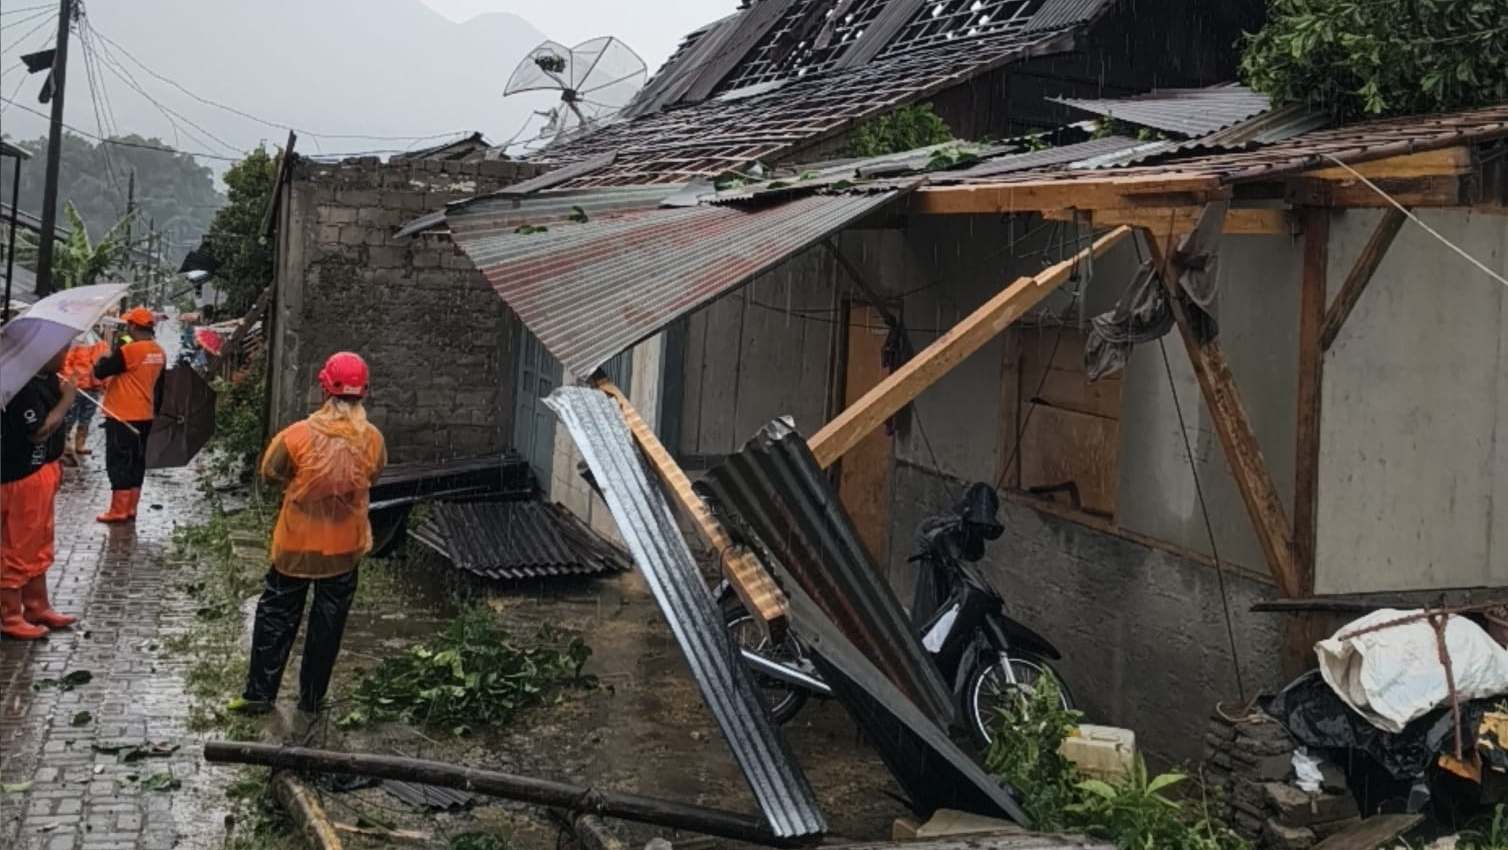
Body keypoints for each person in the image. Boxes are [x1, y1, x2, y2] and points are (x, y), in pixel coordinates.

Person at [232, 352, 386, 716]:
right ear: (363, 392)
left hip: (295, 547)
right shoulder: (373, 440)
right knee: (328, 624)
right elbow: (373, 477)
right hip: (344, 550)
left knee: (276, 617)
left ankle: (259, 695)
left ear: (324, 387)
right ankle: (312, 698)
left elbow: (271, 472)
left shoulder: (296, 436)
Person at [1, 349, 79, 639]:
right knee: (17, 547)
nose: (65, 356)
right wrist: (67, 401)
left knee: (38, 542)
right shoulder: (17, 384)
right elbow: (38, 430)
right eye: (61, 351)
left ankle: (36, 605)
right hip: (21, 476)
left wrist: (61, 450)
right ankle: (9, 615)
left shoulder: (45, 379)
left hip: (43, 471)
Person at [92, 307, 166, 523]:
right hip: (145, 415)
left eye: (128, 326)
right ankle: (131, 507)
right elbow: (160, 388)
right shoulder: (159, 352)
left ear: (133, 326)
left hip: (122, 414)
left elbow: (101, 372)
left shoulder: (130, 351)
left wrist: (102, 358)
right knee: (136, 460)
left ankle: (118, 510)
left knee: (118, 460)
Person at [60, 333, 110, 464]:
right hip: (77, 388)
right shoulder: (75, 345)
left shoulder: (102, 345)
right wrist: (73, 379)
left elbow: (105, 366)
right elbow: (66, 363)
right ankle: (65, 444)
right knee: (70, 417)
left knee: (86, 418)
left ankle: (79, 444)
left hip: (93, 388)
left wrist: (104, 384)